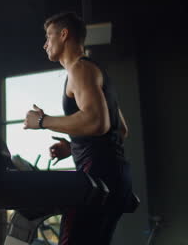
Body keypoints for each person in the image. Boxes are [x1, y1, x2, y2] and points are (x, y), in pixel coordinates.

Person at [23, 12, 133, 244]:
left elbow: (96, 122)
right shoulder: (94, 70)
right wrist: (74, 147)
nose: (45, 44)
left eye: (48, 36)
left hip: (98, 176)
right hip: (115, 174)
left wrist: (42, 121)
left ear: (64, 35)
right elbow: (120, 129)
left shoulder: (79, 69)